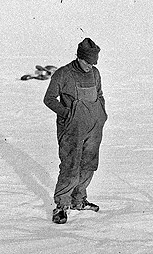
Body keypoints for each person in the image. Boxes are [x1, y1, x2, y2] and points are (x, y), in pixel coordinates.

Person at [43, 38, 108, 224]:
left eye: (94, 62)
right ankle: (62, 206)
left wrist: (101, 113)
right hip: (71, 128)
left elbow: (100, 94)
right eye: (87, 62)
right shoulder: (63, 74)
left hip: (94, 126)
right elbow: (49, 99)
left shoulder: (95, 73)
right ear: (79, 57)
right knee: (70, 164)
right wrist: (68, 114)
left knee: (89, 163)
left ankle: (79, 200)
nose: (90, 66)